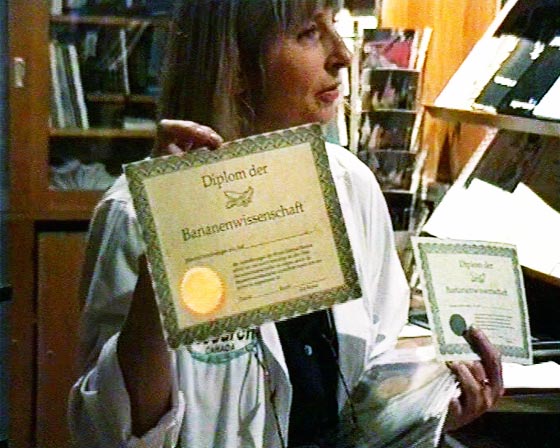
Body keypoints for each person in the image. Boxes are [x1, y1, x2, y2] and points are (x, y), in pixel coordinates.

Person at [68, 1, 504, 447]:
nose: (343, 55)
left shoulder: (349, 183)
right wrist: (169, 253)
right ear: (236, 64)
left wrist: (423, 410)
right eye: (308, 33)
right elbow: (112, 432)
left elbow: (372, 375)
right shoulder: (136, 212)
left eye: (332, 26)